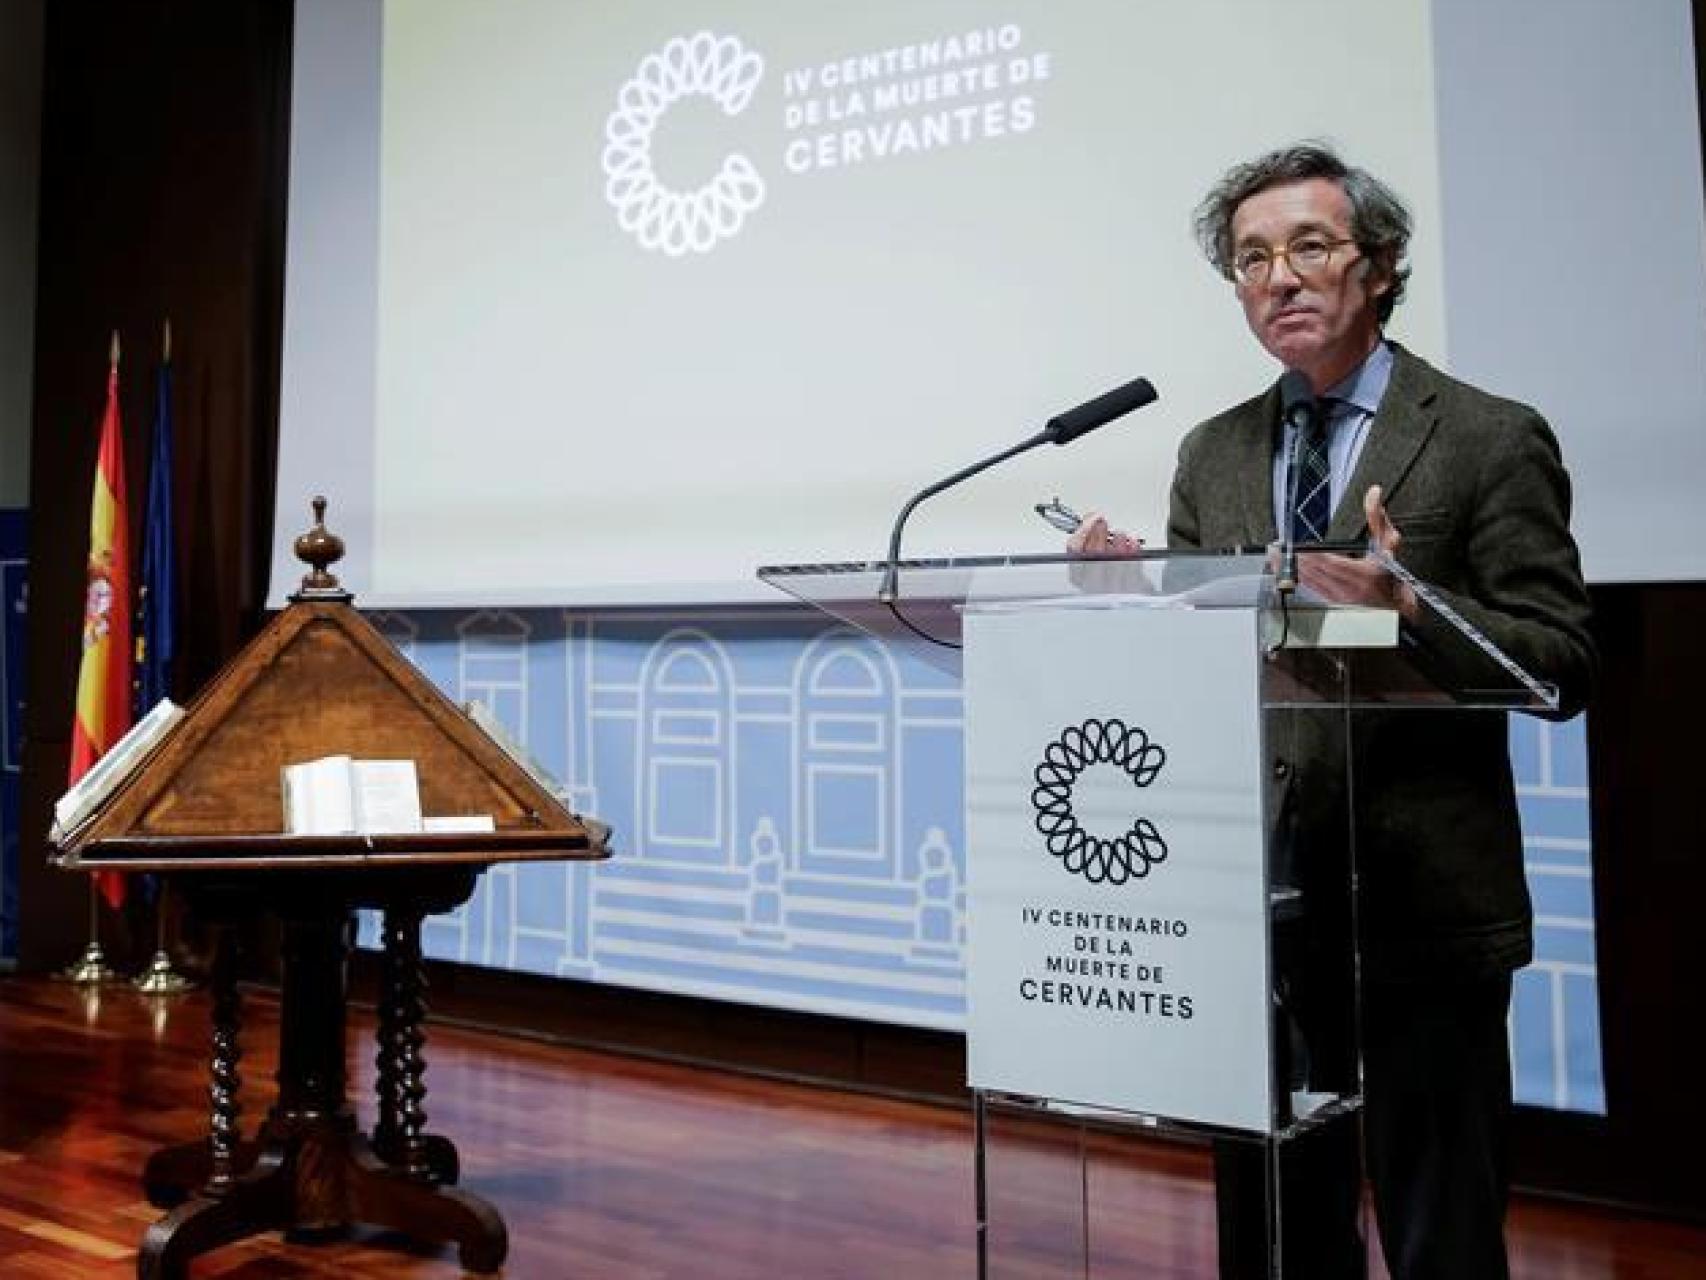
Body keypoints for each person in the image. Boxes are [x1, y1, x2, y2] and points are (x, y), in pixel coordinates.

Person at [1069, 143, 1595, 1279]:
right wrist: (1132, 600)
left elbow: (1561, 662)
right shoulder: (1211, 452)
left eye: (1309, 246)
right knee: (1275, 1231)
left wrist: (1414, 604)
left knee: (1437, 1229)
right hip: (1258, 900)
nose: (1278, 278)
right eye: (1250, 258)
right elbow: (1207, 664)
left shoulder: (1485, 434)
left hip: (1425, 904)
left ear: (1382, 263)